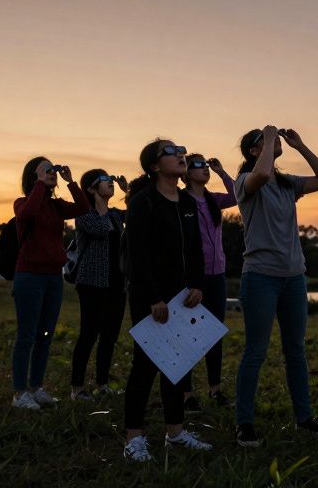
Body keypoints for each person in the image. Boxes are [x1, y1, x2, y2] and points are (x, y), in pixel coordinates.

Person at [232, 125, 318, 448]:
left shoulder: (289, 185)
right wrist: (267, 136)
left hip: (294, 278)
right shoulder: (246, 183)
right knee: (255, 352)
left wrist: (301, 145)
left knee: (296, 351)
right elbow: (262, 172)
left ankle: (305, 419)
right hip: (260, 277)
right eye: (263, 143)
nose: (273, 143)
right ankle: (244, 424)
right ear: (253, 151)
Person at [120, 139, 212, 462]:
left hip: (183, 297)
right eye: (172, 152)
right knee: (144, 367)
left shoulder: (187, 201)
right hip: (151, 298)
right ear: (155, 166)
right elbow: (138, 254)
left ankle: (176, 434)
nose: (181, 155)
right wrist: (153, 298)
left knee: (178, 365)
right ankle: (134, 439)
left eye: (181, 150)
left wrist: (198, 284)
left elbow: (197, 249)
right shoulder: (143, 202)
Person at [11, 156, 90, 410]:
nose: (51, 172)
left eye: (52, 169)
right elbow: (29, 212)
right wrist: (40, 183)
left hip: (53, 277)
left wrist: (70, 182)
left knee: (45, 335)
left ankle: (37, 388)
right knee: (27, 336)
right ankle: (20, 393)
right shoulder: (23, 202)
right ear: (33, 176)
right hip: (29, 276)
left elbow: (83, 208)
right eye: (45, 169)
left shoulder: (57, 207)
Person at [177, 153, 238, 411]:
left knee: (214, 333)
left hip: (218, 274)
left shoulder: (213, 199)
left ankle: (215, 389)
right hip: (193, 278)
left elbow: (237, 196)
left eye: (206, 165)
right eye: (198, 166)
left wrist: (222, 172)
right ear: (185, 174)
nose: (204, 169)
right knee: (189, 334)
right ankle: (187, 393)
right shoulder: (180, 201)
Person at [69, 168, 129, 401]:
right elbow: (102, 228)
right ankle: (77, 388)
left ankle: (102, 384)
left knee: (109, 336)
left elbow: (137, 216)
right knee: (89, 334)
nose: (111, 183)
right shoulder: (85, 214)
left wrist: (128, 191)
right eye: (105, 181)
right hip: (92, 283)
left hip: (117, 283)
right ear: (92, 189)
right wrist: (98, 204)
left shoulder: (115, 214)